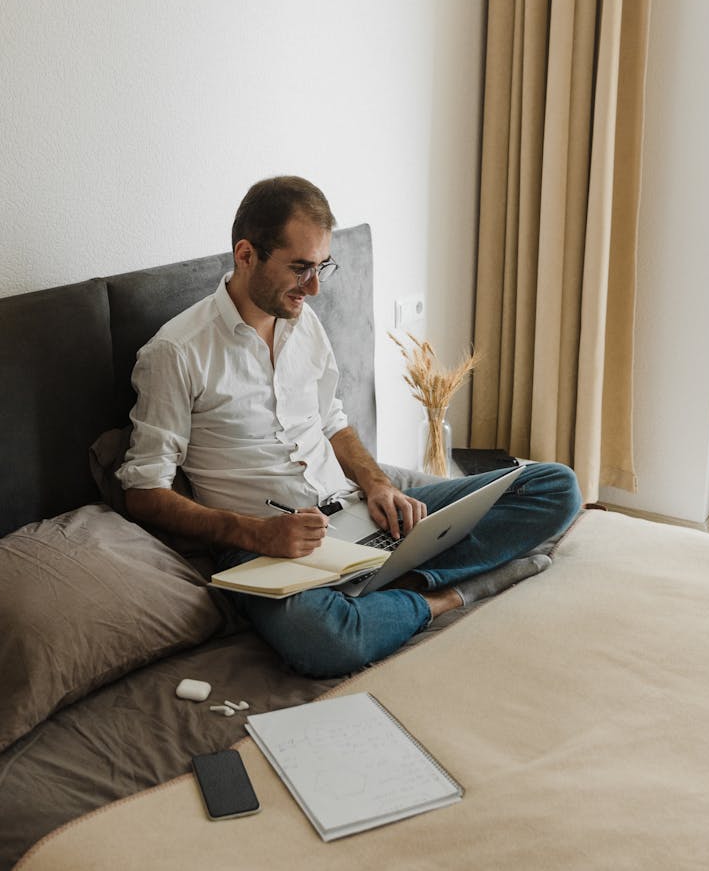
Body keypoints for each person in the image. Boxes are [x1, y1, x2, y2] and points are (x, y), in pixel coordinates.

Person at [119, 176, 581, 677]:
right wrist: (258, 534)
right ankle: (447, 596)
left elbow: (333, 421)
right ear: (246, 255)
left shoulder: (303, 321)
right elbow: (143, 491)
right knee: (324, 640)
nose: (314, 288)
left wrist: (377, 484)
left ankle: (393, 584)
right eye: (299, 269)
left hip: (355, 513)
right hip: (265, 546)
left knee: (556, 486)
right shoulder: (176, 352)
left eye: (321, 268)